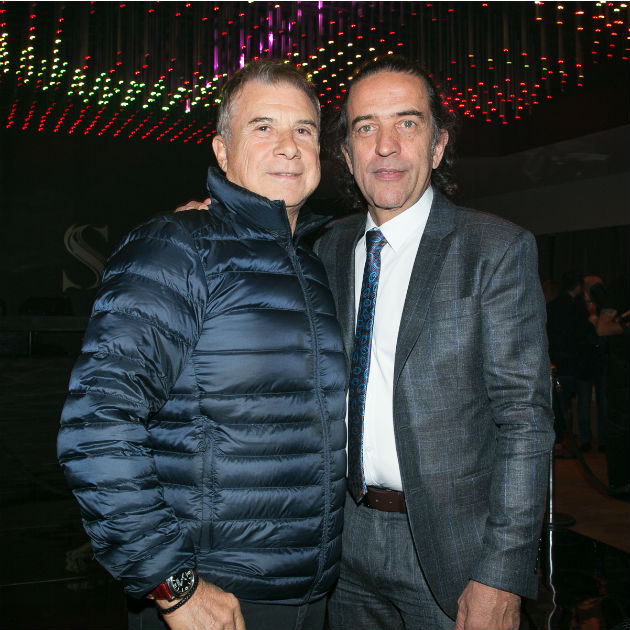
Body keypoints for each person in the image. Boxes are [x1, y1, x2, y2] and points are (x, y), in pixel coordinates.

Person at [57, 60, 347, 630]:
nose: (288, 147)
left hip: (304, 592)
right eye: (262, 127)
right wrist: (173, 584)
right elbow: (96, 424)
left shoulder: (312, 265)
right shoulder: (178, 245)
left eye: (303, 129)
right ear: (222, 151)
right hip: (211, 596)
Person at [314, 56, 555, 630]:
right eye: (366, 127)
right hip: (343, 543)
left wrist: (503, 574)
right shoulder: (326, 248)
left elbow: (526, 421)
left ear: (439, 144)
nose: (386, 146)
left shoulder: (494, 250)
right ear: (346, 153)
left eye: (408, 122)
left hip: (456, 553)